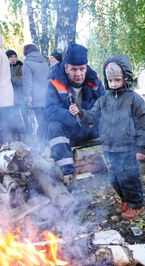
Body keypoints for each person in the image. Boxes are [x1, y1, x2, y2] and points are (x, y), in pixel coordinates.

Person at [69, 55, 145, 219]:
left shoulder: (135, 100)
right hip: (109, 147)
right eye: (110, 80)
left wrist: (141, 147)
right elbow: (92, 116)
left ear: (126, 78)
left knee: (129, 177)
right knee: (114, 178)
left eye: (117, 80)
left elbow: (142, 125)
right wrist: (80, 112)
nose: (113, 84)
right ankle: (125, 200)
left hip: (127, 147)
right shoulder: (103, 100)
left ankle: (137, 204)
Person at [46, 43, 105, 184]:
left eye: (82, 69)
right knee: (53, 126)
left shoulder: (94, 80)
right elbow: (51, 110)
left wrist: (91, 119)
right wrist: (77, 119)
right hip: (69, 130)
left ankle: (116, 166)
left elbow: (104, 105)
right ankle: (68, 174)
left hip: (90, 127)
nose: (79, 74)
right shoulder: (54, 80)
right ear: (66, 67)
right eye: (73, 69)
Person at [22, 44, 50, 145]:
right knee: (46, 122)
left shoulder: (28, 63)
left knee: (40, 123)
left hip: (36, 98)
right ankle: (47, 143)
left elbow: (27, 83)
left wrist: (28, 98)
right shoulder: (44, 62)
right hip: (47, 97)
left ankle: (41, 145)